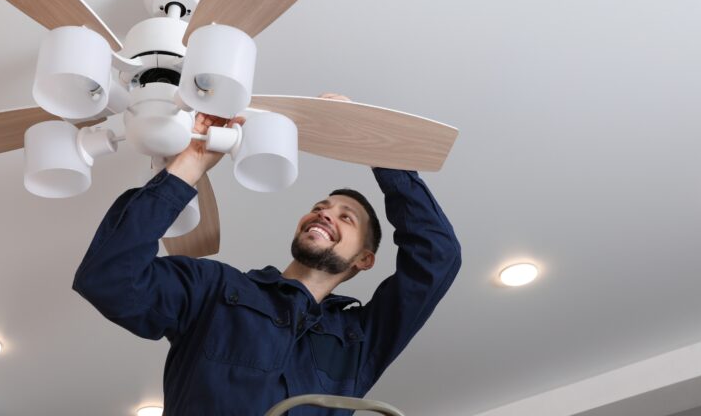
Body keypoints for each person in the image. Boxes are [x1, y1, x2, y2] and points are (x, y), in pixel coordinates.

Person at [73, 94, 461, 415]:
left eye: (347, 217)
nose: (325, 213)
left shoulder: (360, 340)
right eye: (321, 206)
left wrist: (370, 145)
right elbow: (109, 279)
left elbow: (437, 256)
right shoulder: (215, 289)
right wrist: (187, 166)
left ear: (364, 259)